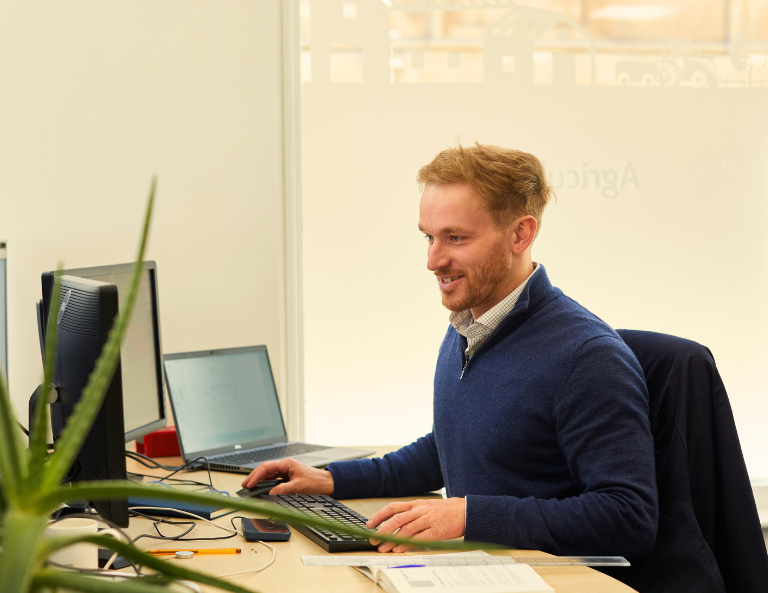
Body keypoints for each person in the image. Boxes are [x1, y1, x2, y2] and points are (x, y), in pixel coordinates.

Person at [242, 144, 658, 557]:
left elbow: (628, 517)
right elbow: (454, 446)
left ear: (520, 234)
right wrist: (332, 479)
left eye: (455, 238)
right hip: (483, 569)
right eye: (429, 237)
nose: (433, 260)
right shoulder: (472, 324)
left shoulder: (587, 357)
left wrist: (468, 515)